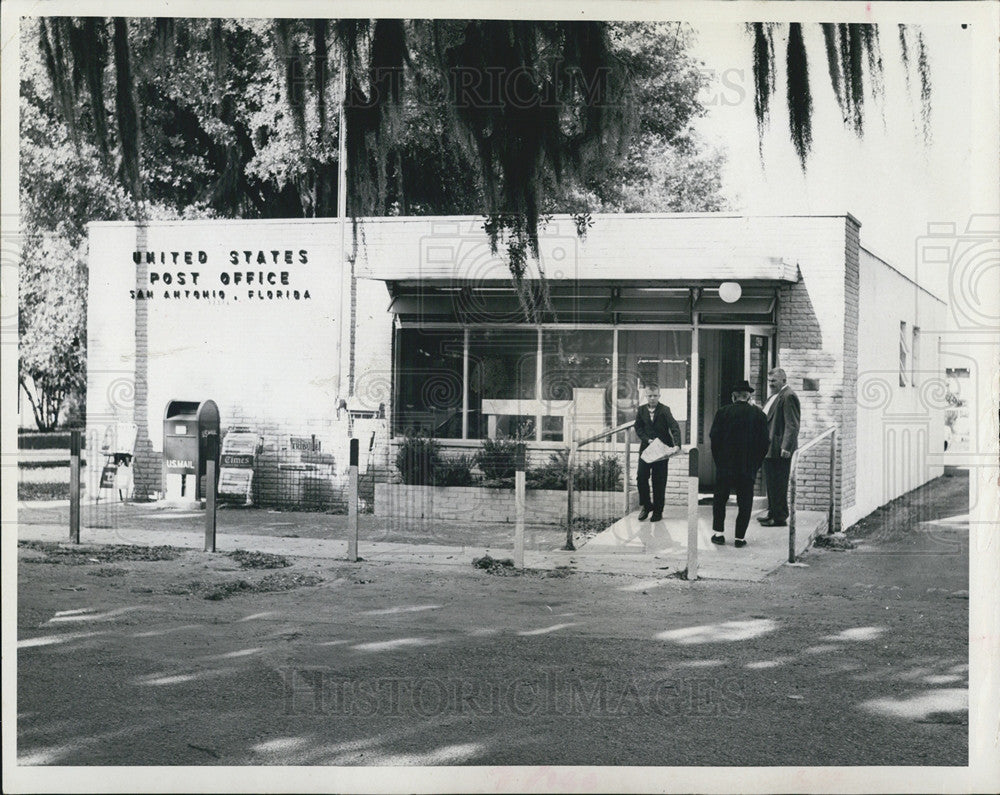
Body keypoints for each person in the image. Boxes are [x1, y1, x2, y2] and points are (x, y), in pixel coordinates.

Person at [709, 380, 770, 547]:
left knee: (720, 499)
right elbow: (764, 443)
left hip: (725, 466)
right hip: (747, 467)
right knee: (745, 502)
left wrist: (719, 462)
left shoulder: (722, 413)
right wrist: (755, 464)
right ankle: (739, 538)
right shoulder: (759, 415)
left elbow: (714, 439)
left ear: (733, 397)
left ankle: (718, 533)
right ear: (748, 396)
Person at [758, 367, 801, 527]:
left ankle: (779, 517)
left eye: (774, 381)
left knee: (779, 483)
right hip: (770, 447)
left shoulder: (788, 396)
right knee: (772, 483)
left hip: (779, 449)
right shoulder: (775, 397)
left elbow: (792, 424)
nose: (771, 384)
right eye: (769, 381)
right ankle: (773, 512)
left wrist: (786, 447)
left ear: (784, 380)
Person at [633, 384, 681, 522]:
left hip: (661, 451)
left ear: (659, 396)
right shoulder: (641, 410)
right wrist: (646, 439)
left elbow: (674, 426)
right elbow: (638, 427)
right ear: (646, 396)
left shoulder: (665, 410)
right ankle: (647, 506)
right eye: (649, 396)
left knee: (658, 481)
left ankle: (658, 511)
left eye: (655, 396)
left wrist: (677, 444)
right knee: (641, 477)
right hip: (646, 450)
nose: (652, 398)